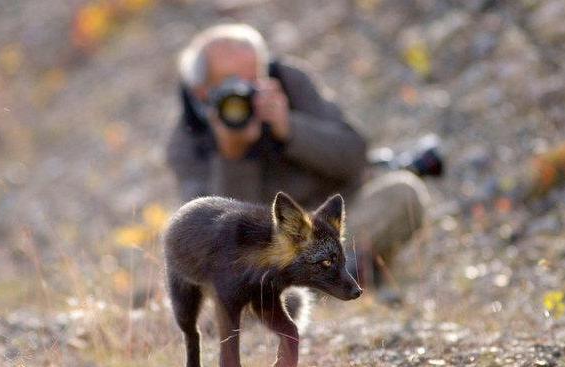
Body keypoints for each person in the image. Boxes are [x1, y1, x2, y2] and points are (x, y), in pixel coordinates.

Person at [166, 23, 429, 287]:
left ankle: (333, 277)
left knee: (403, 192)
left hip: (339, 227)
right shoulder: (187, 143)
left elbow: (354, 156)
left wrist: (290, 129)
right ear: (202, 91)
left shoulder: (289, 83)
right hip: (274, 258)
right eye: (232, 86)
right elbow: (219, 238)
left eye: (254, 80)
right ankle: (338, 279)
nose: (245, 94)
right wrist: (234, 156)